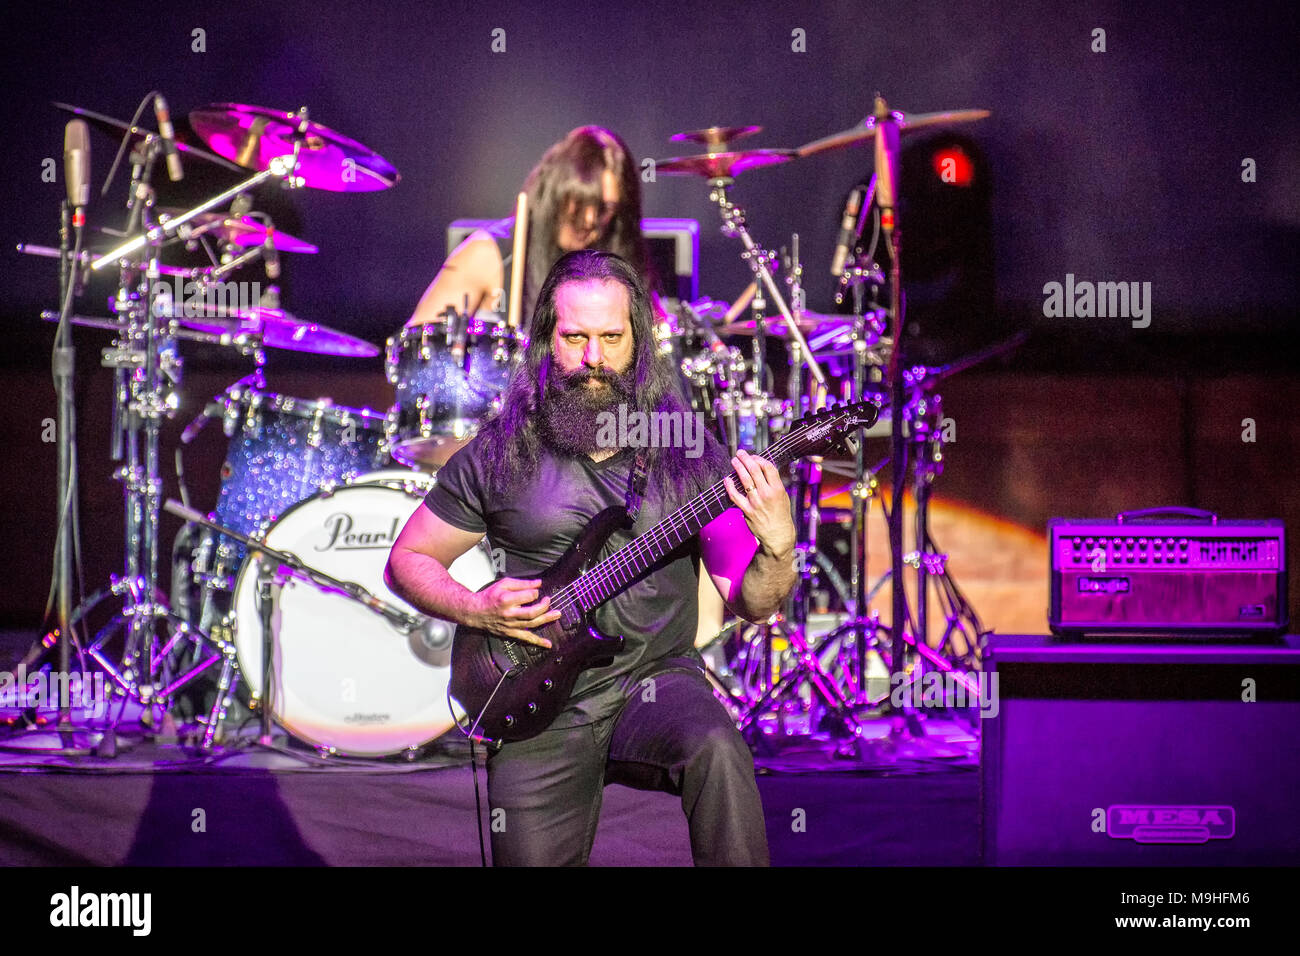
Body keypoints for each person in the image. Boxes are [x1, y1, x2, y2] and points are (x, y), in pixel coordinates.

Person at [386, 250, 797, 866]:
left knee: (718, 747)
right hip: (534, 697)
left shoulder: (685, 449)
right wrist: (476, 609)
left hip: (653, 681)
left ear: (638, 340)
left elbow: (753, 601)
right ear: (547, 340)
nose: (594, 358)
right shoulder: (502, 451)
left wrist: (779, 546)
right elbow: (408, 559)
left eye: (611, 337)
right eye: (575, 338)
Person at [405, 125, 650, 329]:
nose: (589, 219)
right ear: (556, 191)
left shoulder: (617, 269)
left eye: (604, 208)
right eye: (581, 202)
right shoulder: (487, 255)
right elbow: (419, 360)